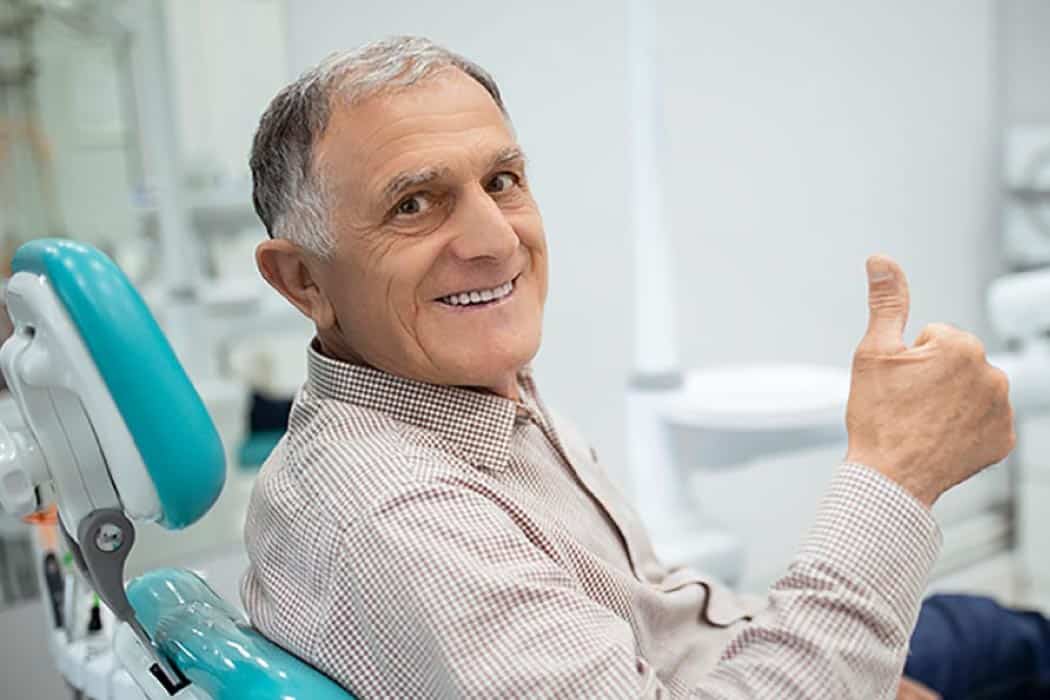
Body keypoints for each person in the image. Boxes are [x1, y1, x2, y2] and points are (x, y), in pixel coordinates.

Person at [240, 36, 1045, 699]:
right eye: (413, 203)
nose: (495, 239)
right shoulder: (397, 516)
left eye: (502, 181)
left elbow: (656, 614)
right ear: (303, 279)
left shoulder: (468, 394)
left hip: (746, 659)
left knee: (997, 634)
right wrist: (894, 478)